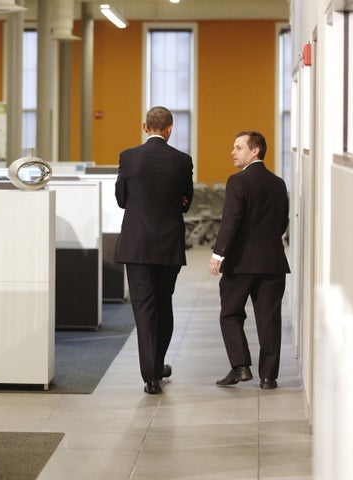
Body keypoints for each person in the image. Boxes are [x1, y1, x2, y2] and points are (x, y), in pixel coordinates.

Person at [114, 106, 194, 395]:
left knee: (144, 309)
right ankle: (157, 364)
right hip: (169, 244)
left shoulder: (129, 157)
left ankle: (151, 376)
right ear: (170, 128)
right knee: (164, 304)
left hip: (136, 245)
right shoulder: (182, 160)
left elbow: (121, 199)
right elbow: (187, 201)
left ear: (144, 126)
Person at [208, 131, 290, 390]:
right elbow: (282, 223)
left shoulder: (237, 181)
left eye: (238, 147)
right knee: (269, 319)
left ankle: (240, 366)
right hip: (273, 262)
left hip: (241, 264)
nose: (233, 152)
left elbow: (231, 221)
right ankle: (268, 377)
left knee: (230, 314)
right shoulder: (279, 183)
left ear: (255, 151)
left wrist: (218, 253)